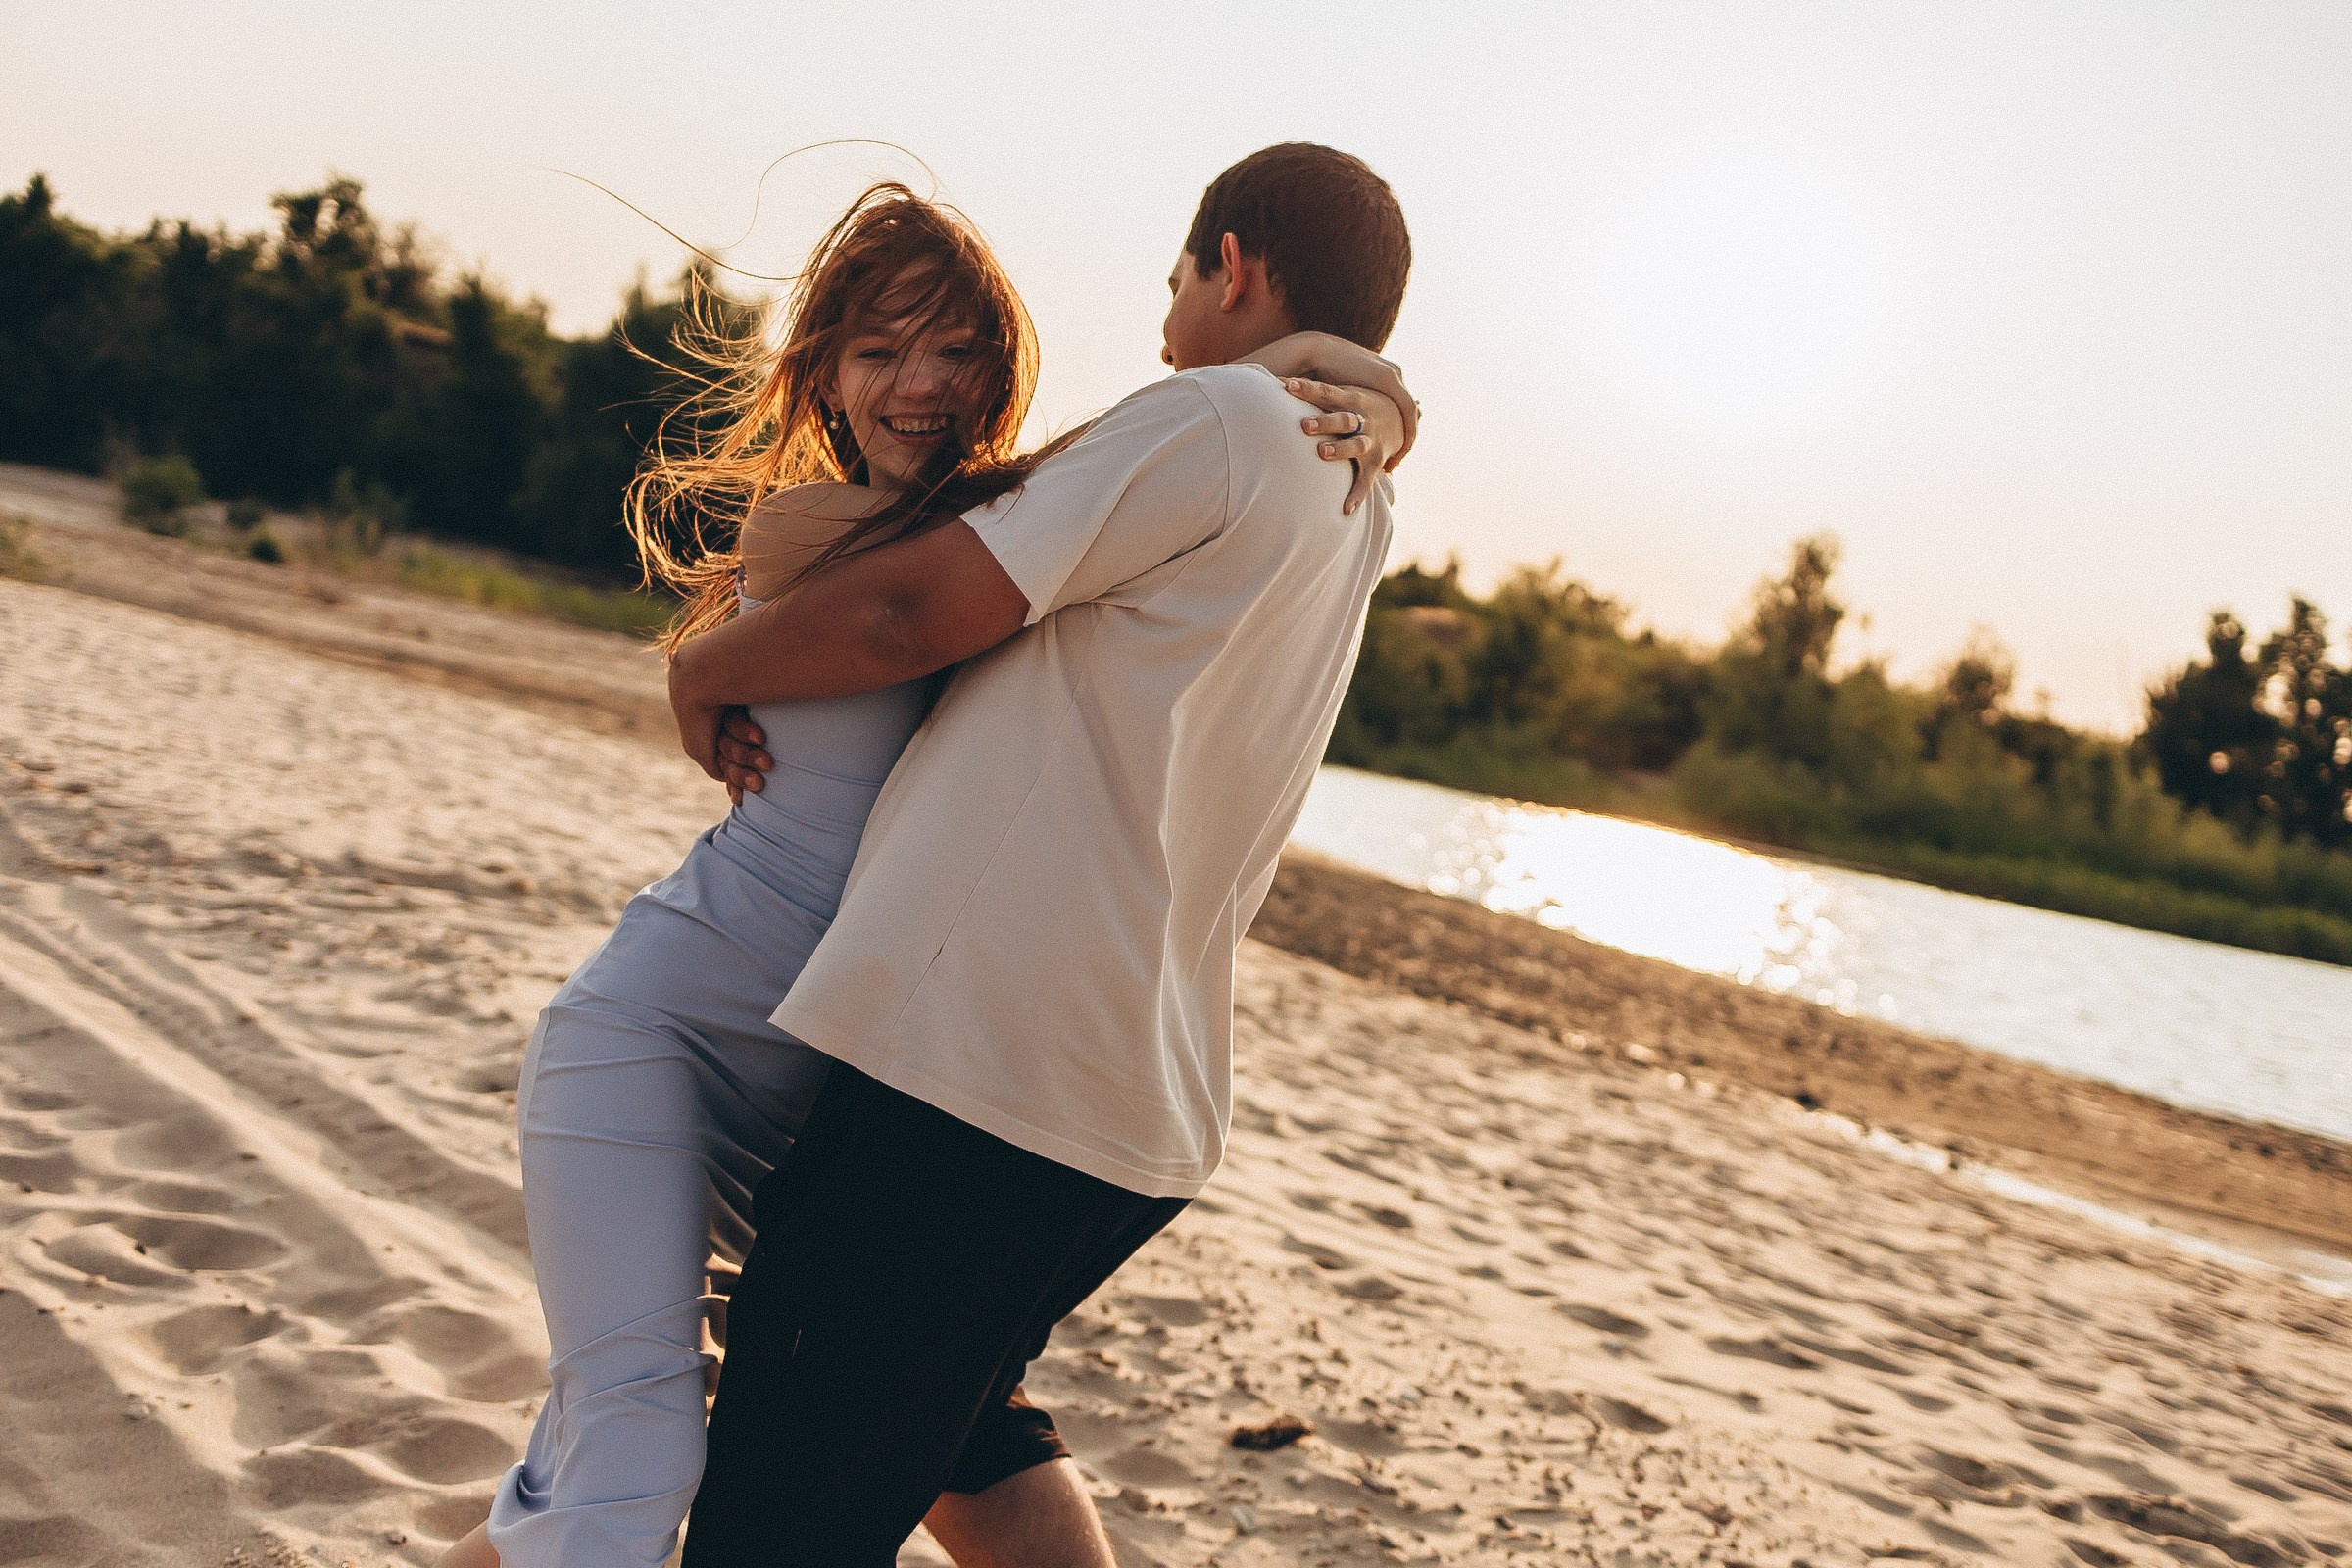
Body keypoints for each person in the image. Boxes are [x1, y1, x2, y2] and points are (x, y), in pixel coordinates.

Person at [438, 176, 1410, 1568]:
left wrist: (703, 668)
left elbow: (919, 597)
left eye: (951, 350)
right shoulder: (1347, 497)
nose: (1163, 323)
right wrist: (1367, 396)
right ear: (827, 370)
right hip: (1056, 1085)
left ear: (1234, 267)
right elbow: (946, 544)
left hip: (967, 1071)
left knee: (753, 1499)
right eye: (880, 351)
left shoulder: (1214, 428)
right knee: (898, 1436)